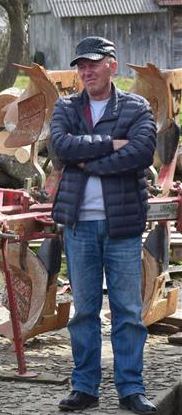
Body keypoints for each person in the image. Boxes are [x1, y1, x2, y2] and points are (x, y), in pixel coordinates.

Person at [51, 36, 157, 415]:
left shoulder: (136, 106)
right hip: (79, 225)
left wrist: (88, 160)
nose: (86, 71)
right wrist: (113, 145)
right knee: (84, 311)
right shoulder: (66, 107)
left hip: (122, 226)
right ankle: (85, 387)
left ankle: (131, 388)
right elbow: (61, 148)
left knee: (127, 310)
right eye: (81, 66)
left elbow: (143, 151)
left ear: (112, 64)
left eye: (93, 64)